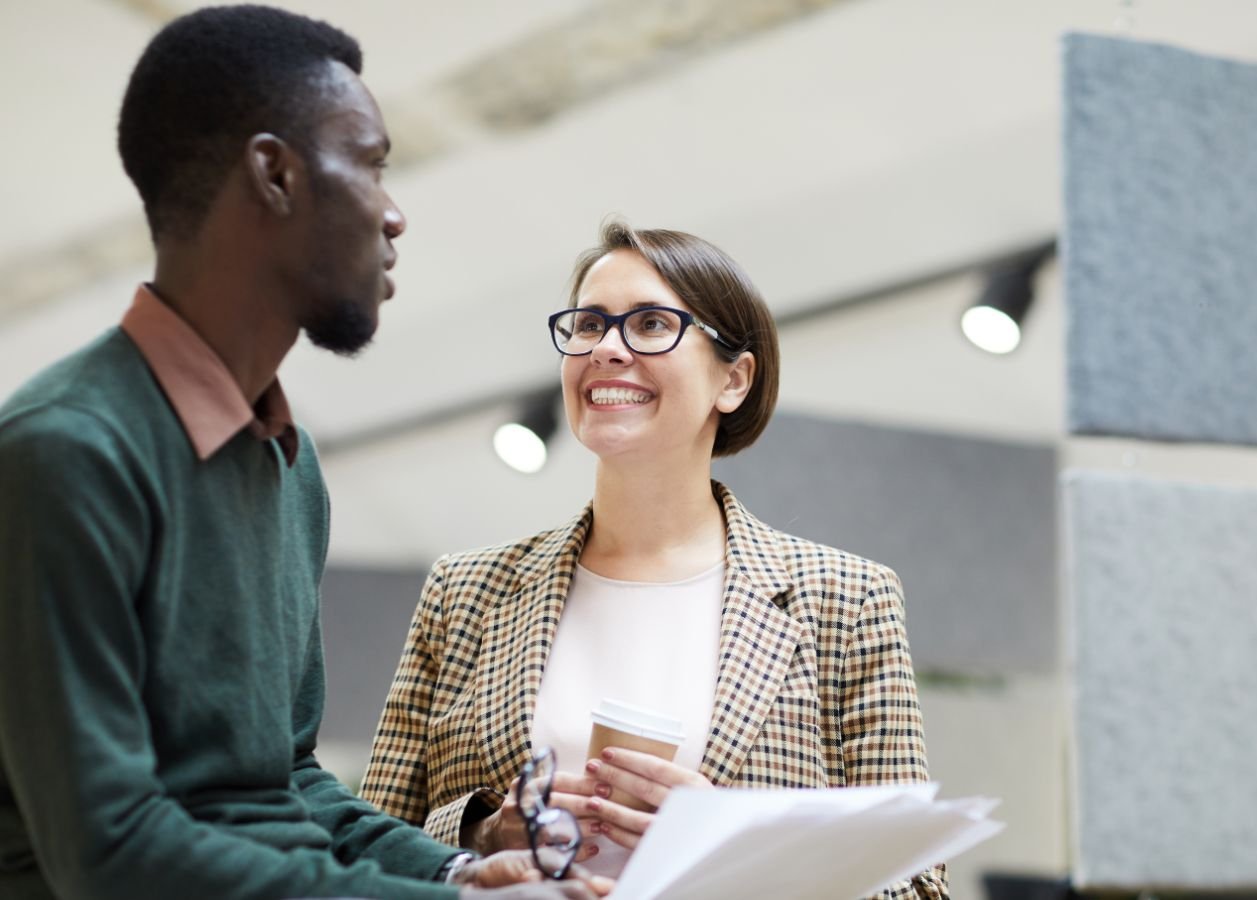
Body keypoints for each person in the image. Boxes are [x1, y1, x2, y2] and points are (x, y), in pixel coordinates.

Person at [0, 6, 597, 899]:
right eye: (370, 163)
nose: (393, 215)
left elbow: (287, 783)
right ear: (275, 175)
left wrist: (461, 873)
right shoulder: (67, 451)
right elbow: (113, 851)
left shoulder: (291, 466)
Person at [361, 220, 950, 899]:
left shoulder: (847, 601)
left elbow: (917, 889)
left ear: (733, 379)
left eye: (648, 325)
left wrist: (737, 846)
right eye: (588, 325)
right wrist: (484, 838)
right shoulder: (466, 591)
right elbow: (366, 849)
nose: (607, 349)